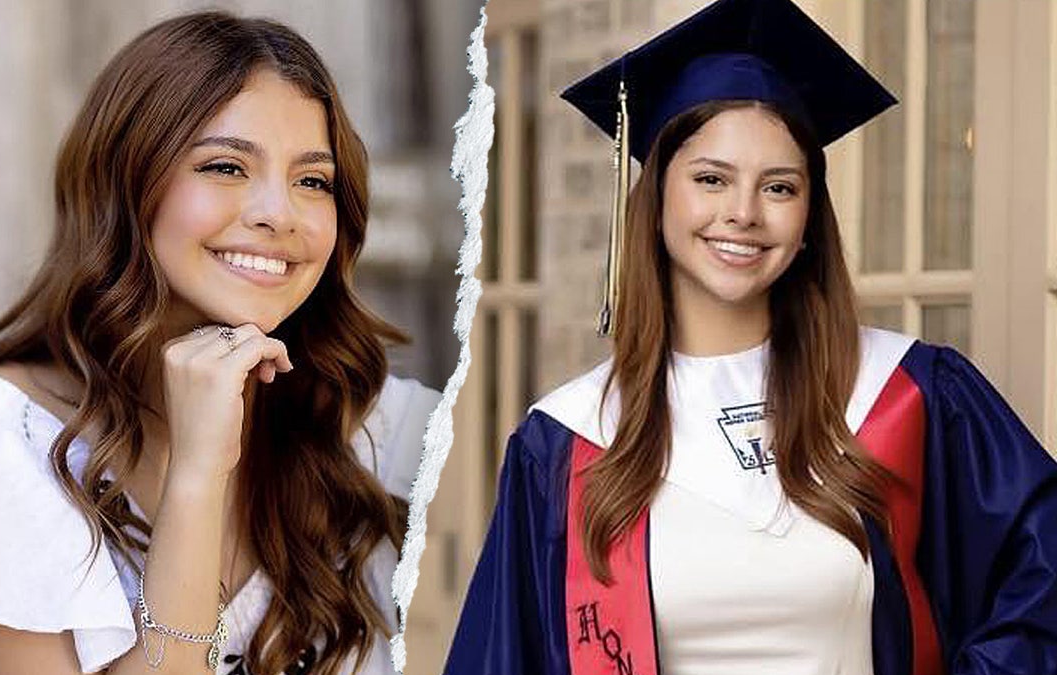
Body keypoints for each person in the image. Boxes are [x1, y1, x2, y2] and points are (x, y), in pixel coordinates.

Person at [443, 0, 1057, 674]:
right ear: (657, 196)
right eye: (711, 179)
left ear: (809, 215)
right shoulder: (569, 442)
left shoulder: (905, 395)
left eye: (779, 187)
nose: (743, 213)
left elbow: (1044, 580)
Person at [0, 11, 439, 675]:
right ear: (128, 181)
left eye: (313, 180)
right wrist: (198, 474)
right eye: (226, 166)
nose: (279, 214)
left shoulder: (370, 425)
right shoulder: (3, 443)